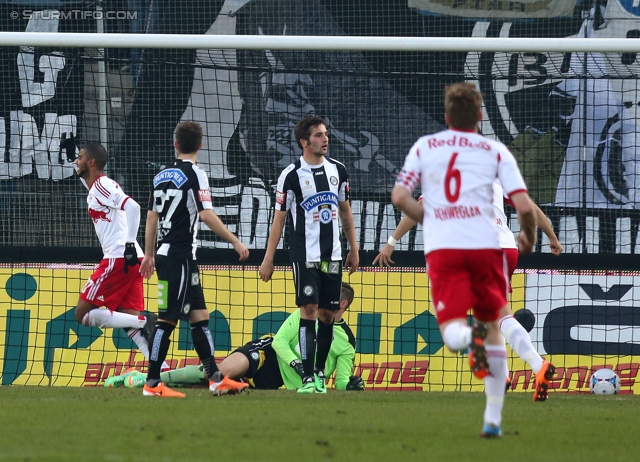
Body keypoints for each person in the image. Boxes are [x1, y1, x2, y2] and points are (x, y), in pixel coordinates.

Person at [391, 82, 537, 438]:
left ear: (446, 117)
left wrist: (436, 220)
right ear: (481, 116)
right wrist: (529, 239)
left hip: (446, 249)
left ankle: (467, 339)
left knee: (455, 333)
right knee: (494, 327)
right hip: (488, 247)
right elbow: (523, 206)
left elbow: (400, 197)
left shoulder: (426, 147)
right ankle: (492, 420)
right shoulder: (496, 151)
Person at [375, 185, 563, 401]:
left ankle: (538, 365)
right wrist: (552, 236)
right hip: (506, 248)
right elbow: (528, 207)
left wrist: (391, 242)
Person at [139, 121, 250, 398]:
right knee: (167, 321)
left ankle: (215, 378)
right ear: (201, 145)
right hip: (179, 256)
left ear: (175, 144)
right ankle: (152, 383)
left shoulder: (160, 175)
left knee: (200, 317)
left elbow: (151, 217)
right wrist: (235, 240)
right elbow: (205, 214)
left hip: (173, 257)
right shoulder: (196, 174)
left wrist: (149, 254)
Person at [107, 283, 366, 392]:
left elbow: (340, 380)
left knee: (206, 385)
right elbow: (279, 342)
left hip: (275, 382)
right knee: (217, 375)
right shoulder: (306, 313)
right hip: (269, 356)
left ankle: (142, 378)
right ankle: (144, 378)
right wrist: (298, 365)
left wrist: (350, 384)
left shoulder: (346, 340)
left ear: (342, 303)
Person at [259, 116, 359, 394]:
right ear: (304, 142)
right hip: (304, 255)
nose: (325, 139)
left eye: (325, 134)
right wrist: (269, 258)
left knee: (327, 316)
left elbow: (345, 211)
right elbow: (279, 220)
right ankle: (305, 377)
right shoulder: (290, 175)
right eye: (318, 135)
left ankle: (317, 375)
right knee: (310, 310)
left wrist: (353, 248)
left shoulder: (338, 170)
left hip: (334, 255)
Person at [73, 143, 160, 366]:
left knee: (82, 314)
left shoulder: (102, 185)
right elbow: (86, 178)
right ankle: (161, 372)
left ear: (91, 162)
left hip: (119, 257)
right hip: (131, 259)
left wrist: (130, 242)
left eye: (80, 157)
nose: (77, 160)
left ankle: (144, 320)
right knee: (129, 323)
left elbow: (133, 207)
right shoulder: (95, 187)